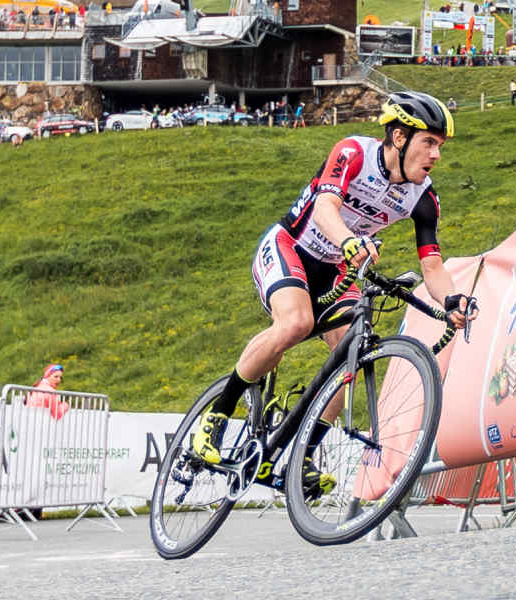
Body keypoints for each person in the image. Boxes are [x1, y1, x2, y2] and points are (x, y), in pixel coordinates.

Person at [190, 92, 477, 498]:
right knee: (295, 323)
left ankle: (299, 458)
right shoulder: (353, 153)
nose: (436, 155)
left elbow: (432, 265)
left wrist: (452, 301)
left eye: (440, 146)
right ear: (399, 137)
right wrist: (348, 240)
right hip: (292, 246)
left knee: (350, 357)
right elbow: (326, 207)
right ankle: (216, 419)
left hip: (338, 267)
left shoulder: (423, 198)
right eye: (429, 142)